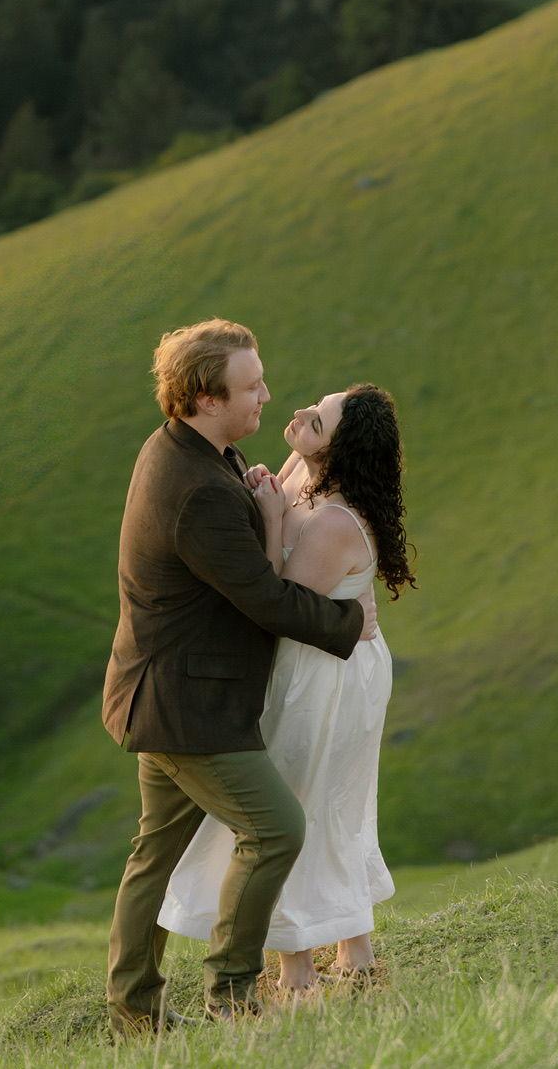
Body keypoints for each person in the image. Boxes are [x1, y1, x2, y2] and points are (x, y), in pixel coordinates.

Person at [102, 320, 379, 1035]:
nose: (266, 395)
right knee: (277, 828)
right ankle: (231, 996)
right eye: (251, 386)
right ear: (204, 397)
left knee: (154, 854)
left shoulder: (189, 450)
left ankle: (136, 1011)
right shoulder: (199, 488)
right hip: (188, 705)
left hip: (163, 692)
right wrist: (350, 619)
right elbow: (265, 599)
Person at [158, 383, 414, 996]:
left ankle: (299, 970)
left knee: (309, 803)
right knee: (315, 802)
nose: (300, 414)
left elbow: (276, 601)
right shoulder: (304, 464)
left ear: (336, 453)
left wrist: (271, 517)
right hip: (314, 659)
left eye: (318, 421)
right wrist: (270, 496)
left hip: (327, 672)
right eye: (315, 406)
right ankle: (353, 952)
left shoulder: (334, 521)